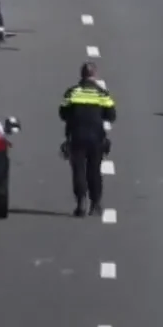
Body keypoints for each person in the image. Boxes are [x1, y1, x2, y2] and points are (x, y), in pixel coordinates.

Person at [58, 61, 116, 218]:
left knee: (78, 170)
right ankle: (96, 203)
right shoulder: (102, 93)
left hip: (76, 135)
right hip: (96, 137)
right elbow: (111, 115)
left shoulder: (72, 92)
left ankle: (81, 202)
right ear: (94, 75)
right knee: (94, 170)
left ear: (81, 74)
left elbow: (63, 113)